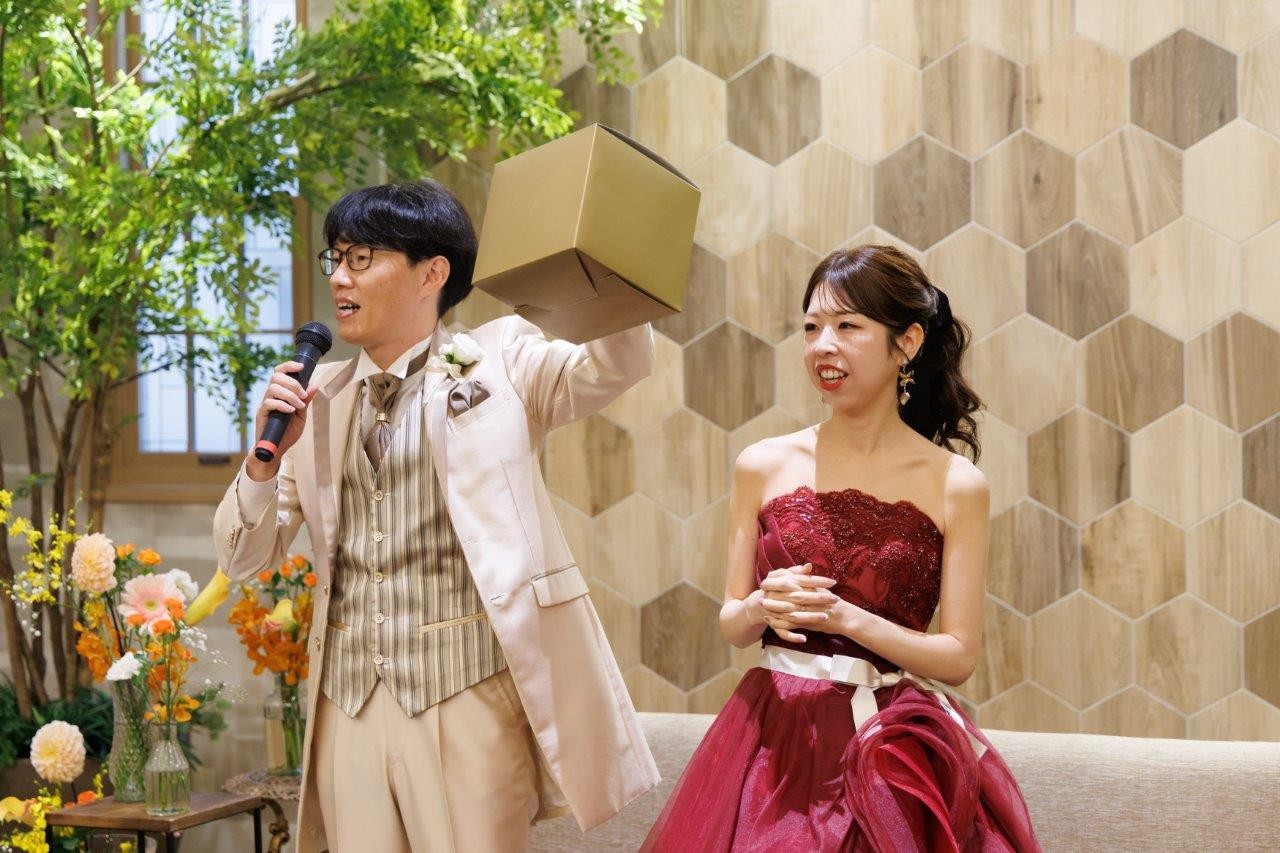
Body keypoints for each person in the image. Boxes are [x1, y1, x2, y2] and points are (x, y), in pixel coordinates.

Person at [213, 180, 658, 852]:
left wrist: (603, 256)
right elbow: (243, 557)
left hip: (466, 694)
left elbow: (617, 364)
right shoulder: (318, 396)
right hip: (347, 703)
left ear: (432, 273)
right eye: (336, 258)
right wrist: (263, 460)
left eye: (362, 258)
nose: (340, 278)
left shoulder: (502, 359)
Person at [643, 245, 1040, 852]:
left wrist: (846, 618)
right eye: (811, 328)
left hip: (891, 743)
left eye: (848, 327)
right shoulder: (762, 464)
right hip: (771, 737)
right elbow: (732, 621)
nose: (823, 346)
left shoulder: (956, 483)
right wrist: (760, 607)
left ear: (907, 343)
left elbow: (958, 656)